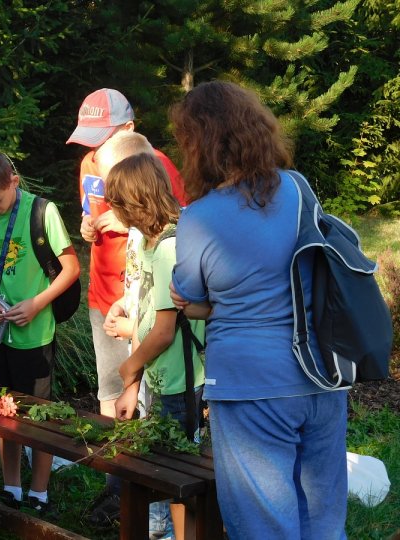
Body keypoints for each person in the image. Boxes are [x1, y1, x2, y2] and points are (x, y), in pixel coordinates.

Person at [168, 80, 348, 539]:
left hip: (250, 385)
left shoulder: (198, 218)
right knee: (323, 521)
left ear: (199, 143)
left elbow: (189, 301)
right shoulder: (299, 187)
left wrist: (204, 306)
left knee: (264, 525)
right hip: (321, 374)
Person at [66, 88, 188, 529]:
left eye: (102, 139)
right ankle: (119, 483)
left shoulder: (158, 167)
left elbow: (174, 216)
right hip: (110, 297)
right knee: (114, 397)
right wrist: (88, 224)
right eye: (89, 141)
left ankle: (146, 496)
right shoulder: (89, 164)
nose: (94, 150)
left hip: (151, 308)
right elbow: (91, 210)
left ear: (129, 130)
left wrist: (122, 219)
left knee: (152, 402)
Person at [0, 150, 80, 513]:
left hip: (33, 334)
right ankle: (11, 487)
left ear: (13, 181)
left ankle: (39, 493)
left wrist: (37, 303)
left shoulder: (43, 211)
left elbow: (71, 268)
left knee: (38, 415)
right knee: (2, 411)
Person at [104, 152, 206, 540]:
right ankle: (160, 530)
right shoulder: (146, 241)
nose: (112, 210)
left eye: (116, 201)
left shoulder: (168, 247)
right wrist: (134, 384)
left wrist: (130, 367)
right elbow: (145, 307)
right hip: (158, 377)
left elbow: (164, 331)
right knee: (158, 469)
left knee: (177, 475)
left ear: (134, 201)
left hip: (179, 381)